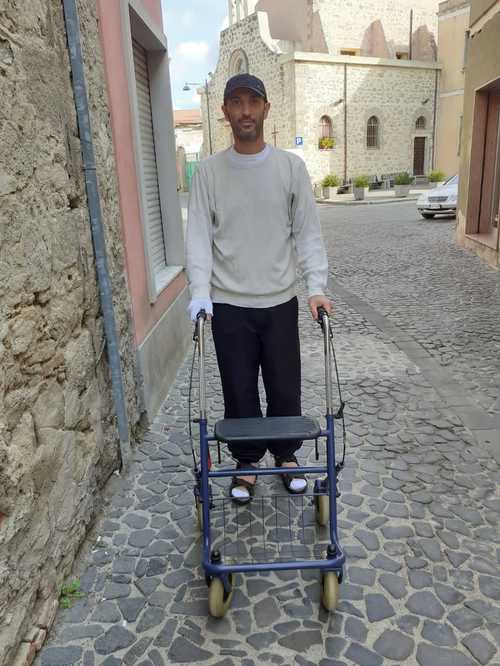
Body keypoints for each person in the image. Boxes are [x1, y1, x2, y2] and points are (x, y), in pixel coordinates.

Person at [186, 73, 331, 504]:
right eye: (236, 102)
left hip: (279, 300)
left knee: (285, 387)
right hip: (229, 304)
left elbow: (307, 233)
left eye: (253, 102)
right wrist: (199, 293)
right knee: (239, 388)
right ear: (225, 111)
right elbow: (198, 237)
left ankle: (286, 456)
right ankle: (247, 462)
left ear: (266, 108)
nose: (245, 111)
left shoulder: (290, 168)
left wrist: (316, 287)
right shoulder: (209, 173)